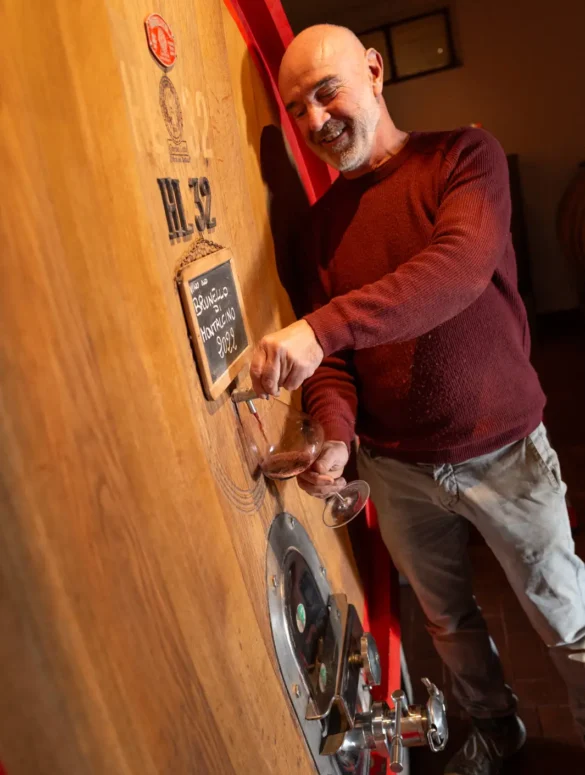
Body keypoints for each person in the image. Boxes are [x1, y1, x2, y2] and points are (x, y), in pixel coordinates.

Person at [250, 23, 585, 775]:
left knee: (563, 616)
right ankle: (497, 731)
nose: (313, 122)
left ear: (373, 70)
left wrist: (316, 328)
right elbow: (332, 363)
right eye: (295, 108)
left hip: (502, 451)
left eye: (325, 92)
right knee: (446, 620)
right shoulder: (318, 232)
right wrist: (334, 434)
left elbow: (456, 270)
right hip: (397, 469)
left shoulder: (465, 158)